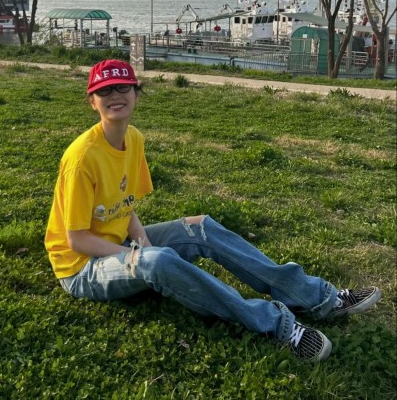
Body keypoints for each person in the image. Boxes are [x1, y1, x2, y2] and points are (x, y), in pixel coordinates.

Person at [45, 59, 381, 362]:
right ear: (92, 101)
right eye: (104, 90)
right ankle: (276, 324)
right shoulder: (82, 158)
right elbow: (77, 239)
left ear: (136, 93)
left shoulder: (133, 139)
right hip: (82, 269)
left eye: (122, 87)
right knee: (158, 261)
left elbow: (125, 205)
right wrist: (137, 255)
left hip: (117, 244)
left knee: (199, 226)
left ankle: (316, 297)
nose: (115, 96)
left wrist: (142, 241)